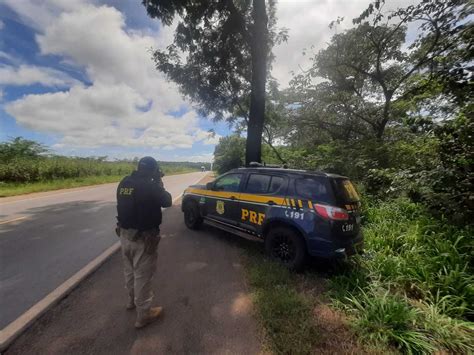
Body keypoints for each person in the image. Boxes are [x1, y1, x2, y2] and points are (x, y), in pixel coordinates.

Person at [116, 156, 172, 328]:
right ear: (154, 170)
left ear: (139, 168)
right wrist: (159, 182)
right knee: (142, 277)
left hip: (124, 236)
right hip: (143, 239)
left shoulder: (124, 182)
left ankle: (131, 301)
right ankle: (144, 315)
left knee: (130, 272)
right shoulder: (150, 186)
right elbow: (167, 201)